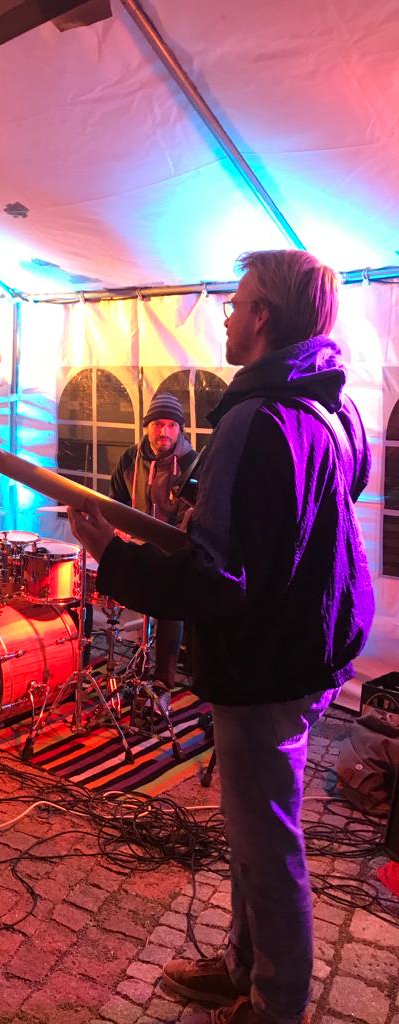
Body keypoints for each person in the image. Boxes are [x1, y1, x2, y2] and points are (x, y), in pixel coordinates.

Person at [68, 250, 374, 1024]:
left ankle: (276, 1005)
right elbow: (310, 514)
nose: (228, 317)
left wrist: (109, 554)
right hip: (312, 647)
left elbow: (217, 580)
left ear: (264, 316)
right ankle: (244, 966)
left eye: (236, 304)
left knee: (267, 844)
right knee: (252, 828)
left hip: (268, 662)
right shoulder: (332, 405)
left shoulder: (251, 418)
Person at [109, 391, 197, 689]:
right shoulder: (129, 458)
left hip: (173, 550)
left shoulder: (191, 463)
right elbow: (116, 501)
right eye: (158, 424)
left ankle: (164, 679)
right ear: (146, 426)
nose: (164, 432)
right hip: (135, 544)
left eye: (172, 425)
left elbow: (190, 517)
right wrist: (118, 527)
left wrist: (162, 544)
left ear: (180, 429)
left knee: (171, 597)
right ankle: (122, 658)